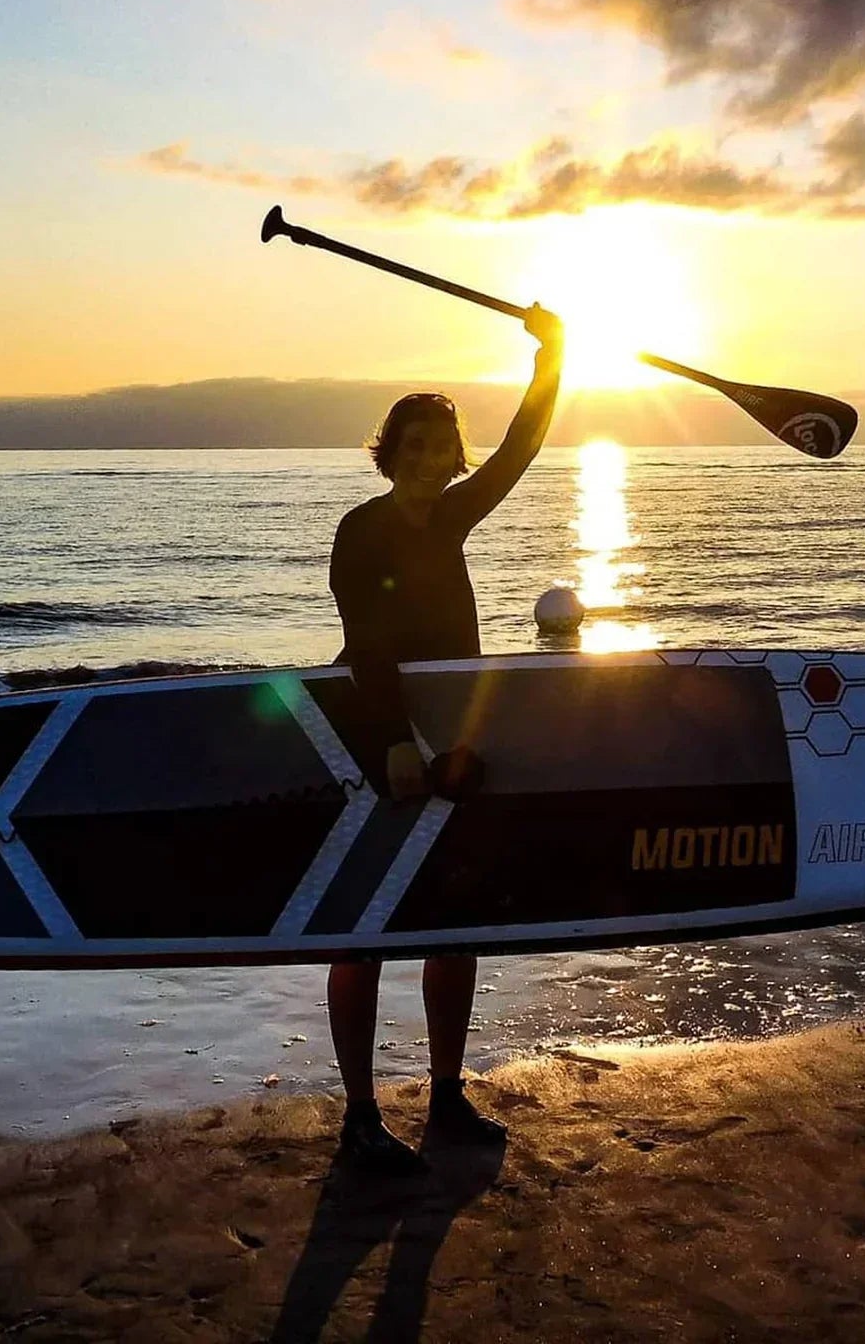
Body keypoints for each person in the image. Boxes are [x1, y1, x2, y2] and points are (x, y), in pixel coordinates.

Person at [327, 302, 564, 1174]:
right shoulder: (363, 530)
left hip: (454, 738)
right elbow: (365, 647)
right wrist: (393, 742)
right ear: (391, 454)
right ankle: (358, 1114)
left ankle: (446, 1094)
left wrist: (552, 358)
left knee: (452, 924)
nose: (431, 460)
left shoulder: (456, 520)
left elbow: (522, 447)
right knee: (365, 926)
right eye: (415, 446)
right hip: (380, 740)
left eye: (441, 447)